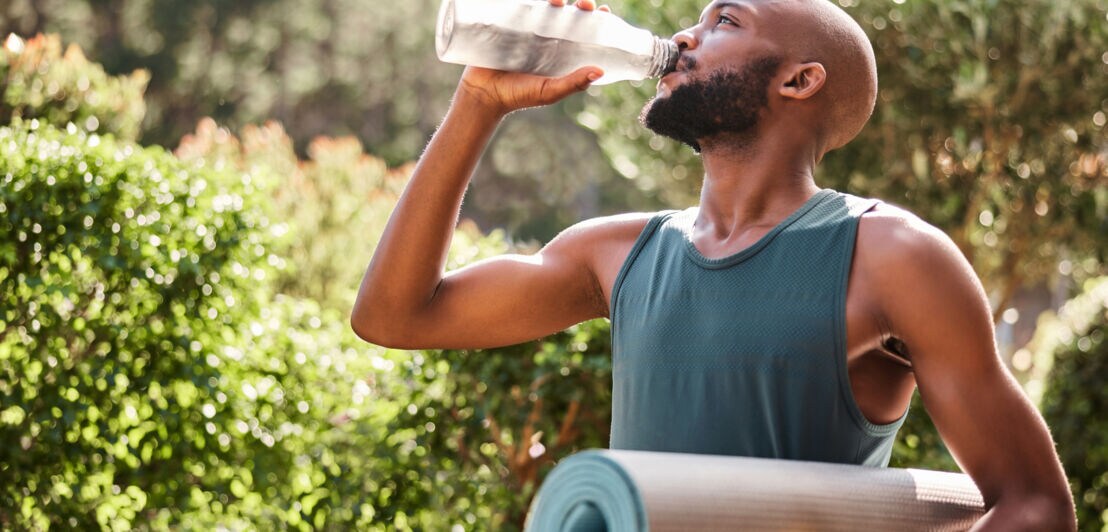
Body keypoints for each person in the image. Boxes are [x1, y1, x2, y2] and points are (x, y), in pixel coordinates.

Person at [351, 0, 1076, 528]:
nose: (682, 37)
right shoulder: (614, 251)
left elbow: (1035, 505)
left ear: (799, 81)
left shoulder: (893, 257)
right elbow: (394, 316)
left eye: (724, 21)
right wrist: (479, 102)